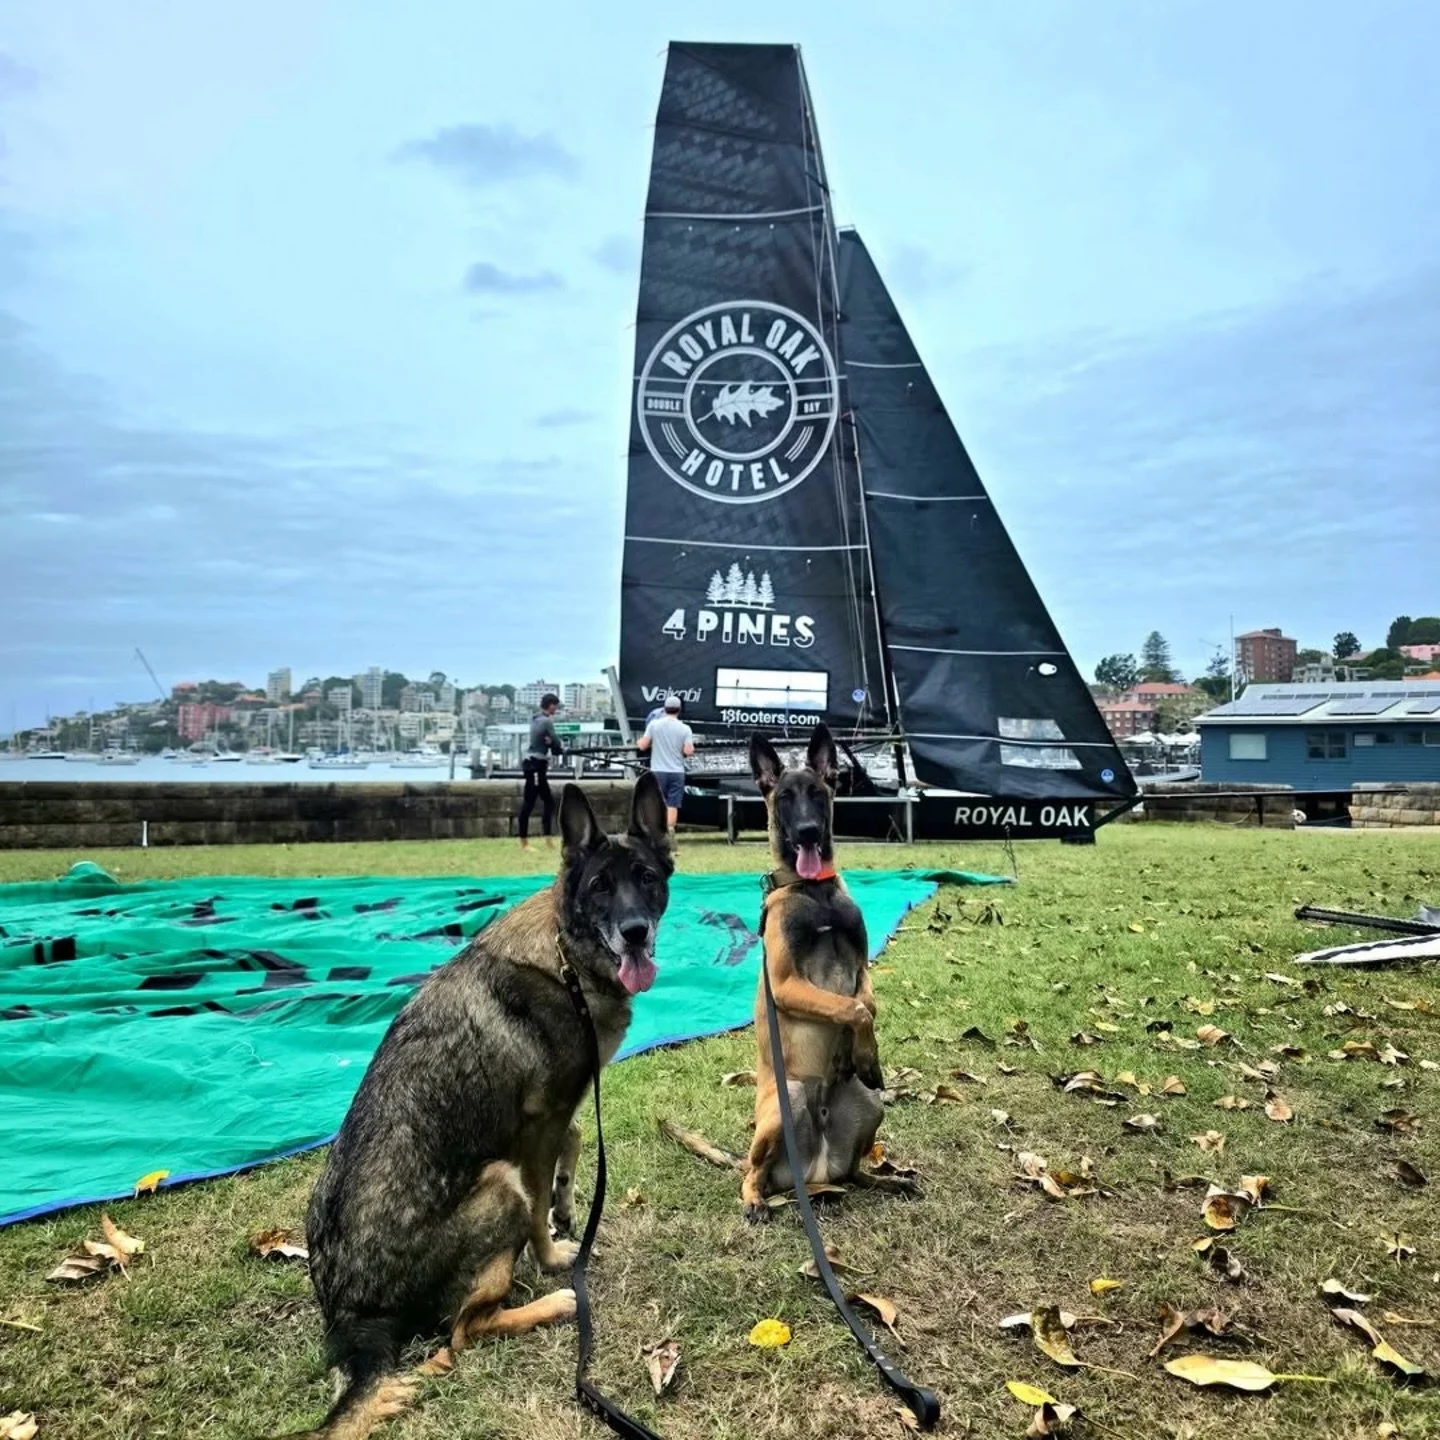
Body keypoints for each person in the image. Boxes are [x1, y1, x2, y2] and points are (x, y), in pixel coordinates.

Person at [636, 693, 695, 832]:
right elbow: (688, 751)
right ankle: (670, 833)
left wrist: (639, 742)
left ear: (664, 708)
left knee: (656, 803)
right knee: (672, 805)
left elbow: (643, 745)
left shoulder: (654, 725)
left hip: (657, 771)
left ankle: (655, 832)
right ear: (679, 710)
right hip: (677, 772)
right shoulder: (685, 729)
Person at [518, 693, 564, 848]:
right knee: (529, 803)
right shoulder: (546, 721)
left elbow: (550, 742)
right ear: (550, 705)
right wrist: (554, 744)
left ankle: (548, 840)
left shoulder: (535, 719)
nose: (556, 709)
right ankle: (524, 842)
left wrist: (551, 744)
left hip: (534, 764)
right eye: (555, 705)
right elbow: (556, 743)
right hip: (535, 766)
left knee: (548, 802)